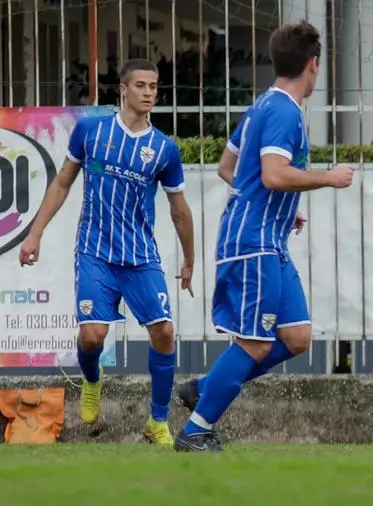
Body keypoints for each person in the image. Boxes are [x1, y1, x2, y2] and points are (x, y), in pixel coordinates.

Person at [173, 20, 354, 453]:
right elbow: (273, 174)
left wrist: (280, 210)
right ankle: (196, 429)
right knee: (254, 341)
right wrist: (327, 177)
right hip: (252, 243)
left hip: (267, 238)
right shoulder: (283, 112)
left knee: (296, 337)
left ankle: (205, 387)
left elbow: (227, 167)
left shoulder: (262, 106)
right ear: (314, 65)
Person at [18, 58, 196, 447]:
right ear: (123, 90)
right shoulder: (91, 131)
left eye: (154, 86)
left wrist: (189, 260)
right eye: (142, 86)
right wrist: (35, 234)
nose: (150, 92)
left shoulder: (164, 149)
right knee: (92, 336)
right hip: (95, 252)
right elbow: (63, 182)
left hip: (140, 256)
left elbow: (179, 210)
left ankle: (157, 422)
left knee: (164, 332)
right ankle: (92, 379)